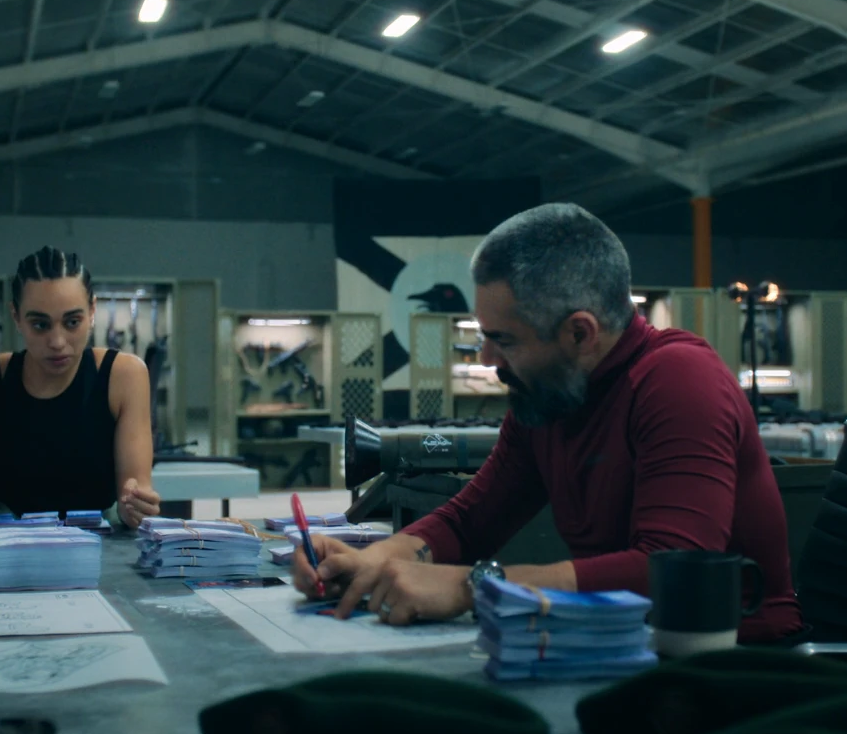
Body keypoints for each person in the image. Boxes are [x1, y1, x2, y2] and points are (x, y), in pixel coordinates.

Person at [293, 204, 800, 643]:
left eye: (505, 340)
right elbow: (473, 518)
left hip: (737, 659)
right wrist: (379, 559)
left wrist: (474, 586)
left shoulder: (678, 379)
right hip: (621, 643)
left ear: (580, 333)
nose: (488, 359)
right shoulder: (550, 394)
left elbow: (671, 566)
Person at [0, 245, 161, 536]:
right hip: (2, 550)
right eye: (40, 325)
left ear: (92, 311)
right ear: (16, 316)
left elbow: (135, 489)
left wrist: (134, 504)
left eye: (72, 322)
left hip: (100, 548)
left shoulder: (124, 376)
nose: (57, 341)